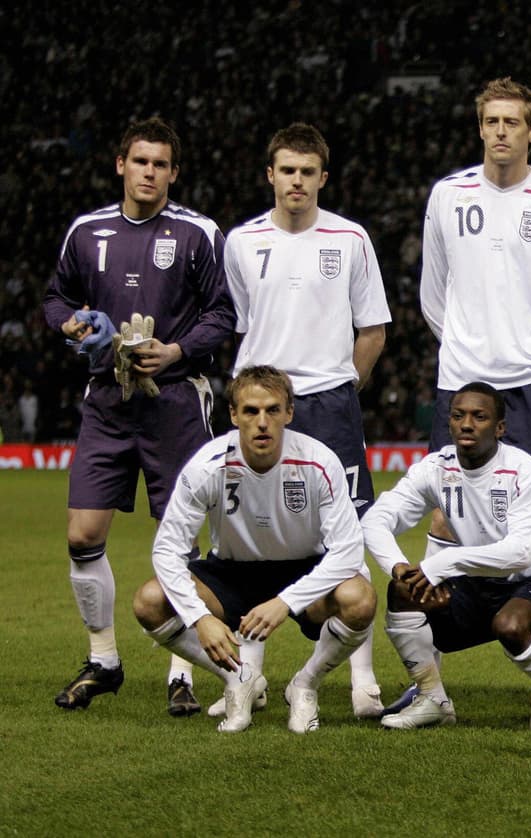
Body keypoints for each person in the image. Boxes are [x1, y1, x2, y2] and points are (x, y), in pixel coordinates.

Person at [42, 117, 234, 715]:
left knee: (178, 540)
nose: (149, 172)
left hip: (175, 400)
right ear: (121, 165)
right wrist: (71, 324)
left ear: (174, 173)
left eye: (161, 164)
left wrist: (175, 350)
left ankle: (183, 671)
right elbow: (56, 298)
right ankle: (103, 660)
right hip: (107, 399)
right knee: (82, 534)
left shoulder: (199, 233)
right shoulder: (87, 231)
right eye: (140, 161)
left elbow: (223, 314)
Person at [221, 122, 391, 719]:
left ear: (323, 177)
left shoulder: (350, 238)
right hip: (260, 404)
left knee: (350, 532)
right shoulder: (242, 241)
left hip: (328, 405)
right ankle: (247, 677)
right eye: (287, 170)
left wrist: (341, 386)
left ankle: (362, 680)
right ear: (270, 175)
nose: (297, 181)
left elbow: (373, 329)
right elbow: (240, 325)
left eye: (308, 171)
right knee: (251, 534)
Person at [132, 366, 377, 734]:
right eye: (250, 411)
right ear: (234, 415)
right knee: (150, 601)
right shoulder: (207, 466)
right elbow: (167, 550)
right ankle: (240, 679)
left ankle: (304, 685)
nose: (262, 422)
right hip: (231, 572)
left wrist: (286, 602)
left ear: (289, 413)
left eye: (272, 410)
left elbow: (348, 551)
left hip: (303, 569)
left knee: (360, 598)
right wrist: (199, 618)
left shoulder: (319, 461)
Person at [420, 77, 531, 507]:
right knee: (448, 511)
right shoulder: (447, 196)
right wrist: (467, 346)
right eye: (492, 121)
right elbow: (432, 296)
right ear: (480, 128)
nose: (501, 131)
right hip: (461, 379)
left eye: (512, 122)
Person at [361, 382, 531, 731]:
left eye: (479, 417)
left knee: (511, 626)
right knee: (403, 591)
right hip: (472, 586)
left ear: (499, 427)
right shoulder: (435, 467)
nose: (467, 424)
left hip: (530, 586)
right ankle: (433, 699)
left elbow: (520, 553)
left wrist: (443, 564)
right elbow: (376, 519)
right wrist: (398, 567)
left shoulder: (524, 469)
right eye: (458, 416)